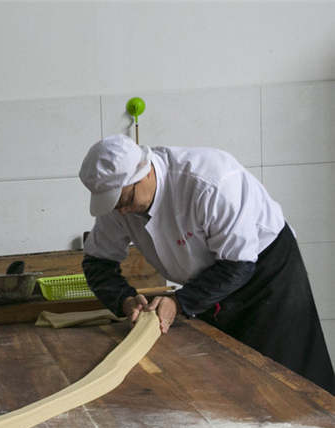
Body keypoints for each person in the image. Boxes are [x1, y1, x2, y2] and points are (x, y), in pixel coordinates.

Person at [78, 134, 334, 395]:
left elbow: (238, 264)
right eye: (114, 205)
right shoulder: (120, 207)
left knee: (293, 379)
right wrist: (124, 300)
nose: (122, 211)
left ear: (143, 173)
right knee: (232, 379)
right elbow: (97, 262)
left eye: (126, 200)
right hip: (211, 282)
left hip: (267, 276)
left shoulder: (209, 180)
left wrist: (179, 302)